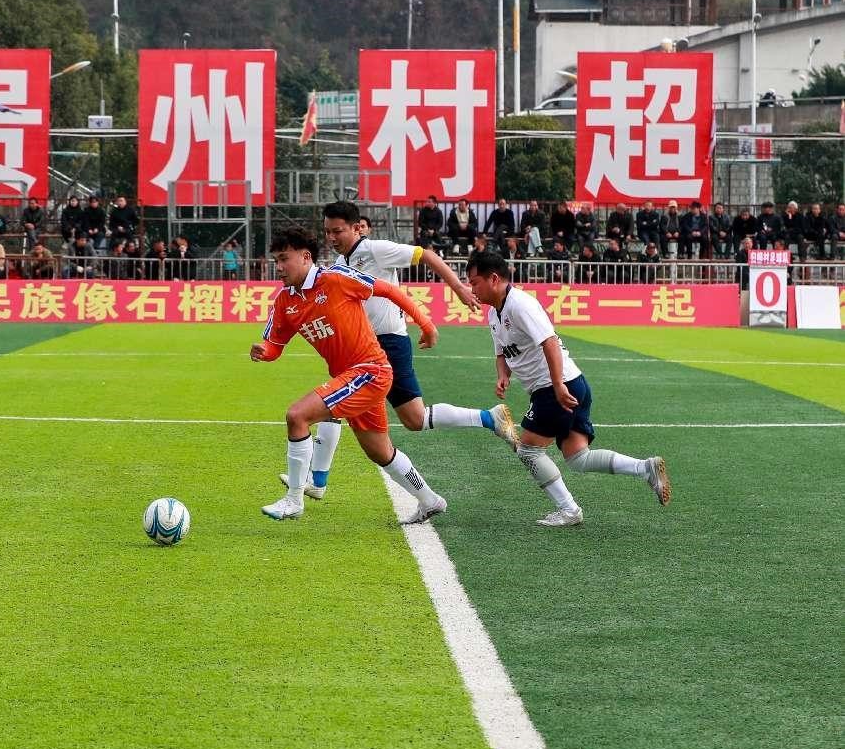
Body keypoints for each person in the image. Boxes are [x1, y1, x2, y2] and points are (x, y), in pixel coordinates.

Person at [278, 203, 518, 502]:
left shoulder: (375, 249)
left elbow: (426, 255)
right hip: (359, 348)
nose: (331, 237)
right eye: (327, 232)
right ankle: (317, 481)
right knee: (340, 406)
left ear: (357, 228)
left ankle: (488, 418)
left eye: (337, 231)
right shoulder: (339, 263)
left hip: (386, 343)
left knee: (409, 418)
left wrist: (457, 288)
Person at [252, 228, 451, 523]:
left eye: (284, 259)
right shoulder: (285, 301)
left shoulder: (336, 278)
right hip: (351, 377)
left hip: (370, 371)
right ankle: (431, 500)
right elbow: (275, 346)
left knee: (297, 415)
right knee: (380, 452)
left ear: (305, 257)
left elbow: (389, 290)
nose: (278, 267)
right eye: (276, 261)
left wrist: (426, 324)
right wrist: (263, 352)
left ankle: (294, 500)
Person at [465, 250, 671, 526]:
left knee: (528, 451)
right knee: (578, 458)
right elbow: (502, 352)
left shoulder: (520, 305)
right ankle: (645, 468)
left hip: (556, 388)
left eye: (474, 282)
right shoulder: (494, 313)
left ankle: (569, 510)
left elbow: (549, 342)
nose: (472, 290)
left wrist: (558, 386)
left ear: (493, 279)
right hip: (570, 384)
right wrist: (503, 375)